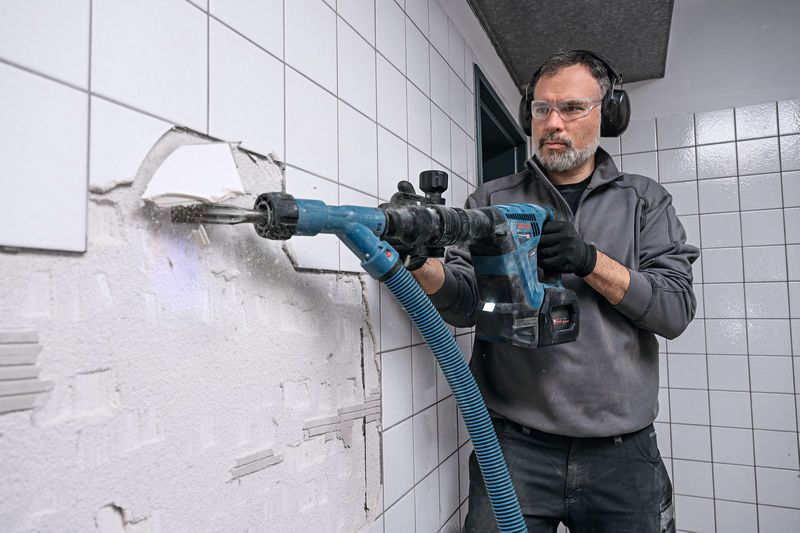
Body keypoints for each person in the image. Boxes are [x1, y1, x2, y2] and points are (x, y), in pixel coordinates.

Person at [411, 50, 698, 532]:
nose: (552, 123)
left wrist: (588, 260)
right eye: (542, 109)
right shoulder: (491, 200)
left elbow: (673, 311)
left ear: (607, 113)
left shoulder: (644, 200)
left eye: (571, 108)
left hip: (623, 455)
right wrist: (420, 265)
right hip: (513, 450)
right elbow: (464, 304)